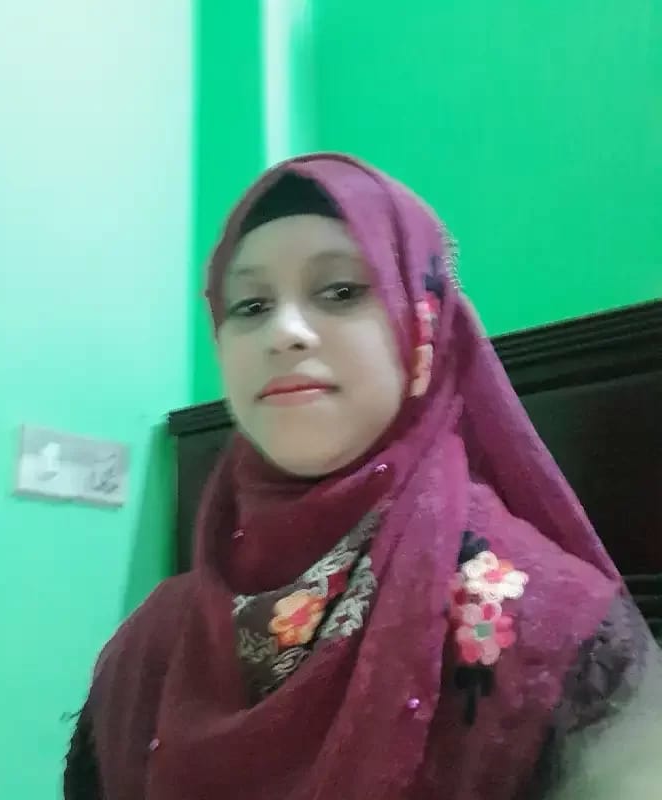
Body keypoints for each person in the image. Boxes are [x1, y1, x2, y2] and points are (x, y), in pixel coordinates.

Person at [64, 153, 661, 799]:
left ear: (423, 326)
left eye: (342, 291)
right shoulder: (152, 643)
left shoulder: (556, 629)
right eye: (251, 304)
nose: (285, 332)